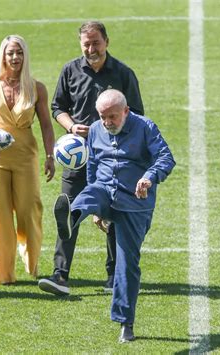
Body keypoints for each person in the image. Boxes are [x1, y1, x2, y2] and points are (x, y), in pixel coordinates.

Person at [53, 89, 175, 342]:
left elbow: (166, 157)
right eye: (103, 116)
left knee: (126, 265)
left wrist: (149, 178)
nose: (107, 123)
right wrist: (97, 213)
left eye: (112, 117)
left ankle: (125, 323)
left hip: (134, 203)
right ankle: (72, 218)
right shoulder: (96, 129)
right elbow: (94, 166)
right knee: (88, 195)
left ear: (126, 111)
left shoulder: (145, 127)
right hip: (105, 191)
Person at [38, 21, 144, 295]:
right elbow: (58, 107)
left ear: (107, 42)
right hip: (77, 157)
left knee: (114, 212)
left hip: (112, 157)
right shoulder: (70, 71)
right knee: (69, 210)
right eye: (86, 43)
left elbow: (138, 115)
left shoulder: (123, 74)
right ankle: (60, 275)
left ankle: (113, 276)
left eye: (96, 42)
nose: (91, 48)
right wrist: (71, 126)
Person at [0, 35, 56, 285]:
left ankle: (31, 263)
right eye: (10, 53)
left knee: (30, 211)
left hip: (25, 155)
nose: (15, 57)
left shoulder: (36, 87)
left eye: (19, 52)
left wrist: (50, 156)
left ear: (25, 55)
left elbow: (46, 125)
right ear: (3, 55)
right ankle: (6, 275)